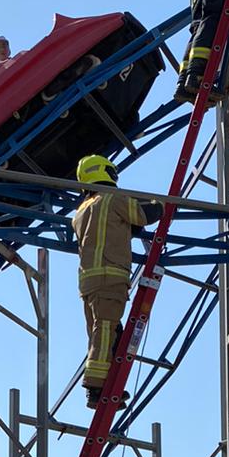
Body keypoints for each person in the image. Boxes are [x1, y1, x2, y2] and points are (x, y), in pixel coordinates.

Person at [71, 154, 163, 408]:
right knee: (104, 332)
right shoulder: (113, 198)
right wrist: (161, 205)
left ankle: (108, 383)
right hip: (110, 276)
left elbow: (108, 231)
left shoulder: (81, 211)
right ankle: (95, 388)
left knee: (104, 333)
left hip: (89, 281)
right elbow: (141, 214)